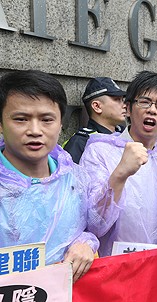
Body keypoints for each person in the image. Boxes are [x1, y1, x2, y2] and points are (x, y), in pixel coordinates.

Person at [0, 70, 99, 281]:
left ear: (61, 124)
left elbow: (87, 228)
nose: (35, 130)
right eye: (21, 119)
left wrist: (85, 243)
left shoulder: (74, 179)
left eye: (46, 119)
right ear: (1, 124)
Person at [80, 71, 157, 256]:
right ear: (127, 108)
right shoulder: (100, 151)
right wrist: (120, 174)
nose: (152, 110)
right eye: (144, 102)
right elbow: (94, 225)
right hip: (116, 269)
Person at [63, 77, 126, 163]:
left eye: (123, 100)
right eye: (117, 100)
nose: (124, 105)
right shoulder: (81, 142)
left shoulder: (126, 134)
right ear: (97, 106)